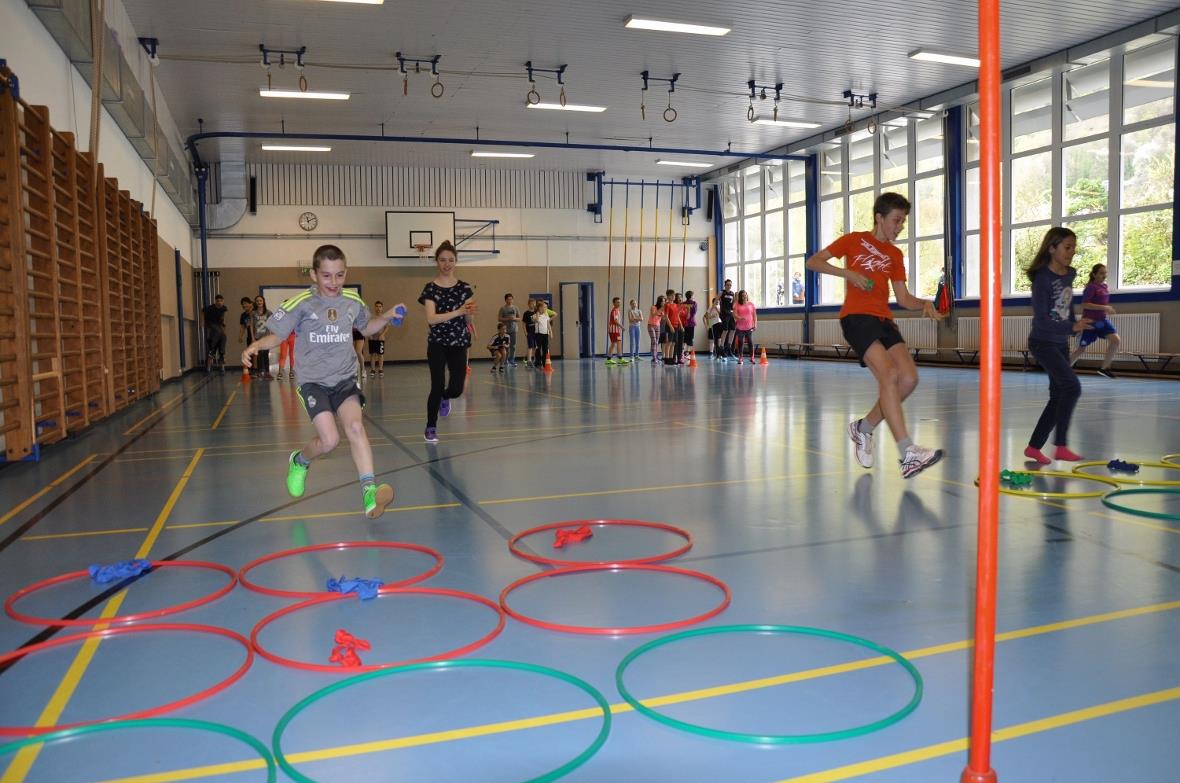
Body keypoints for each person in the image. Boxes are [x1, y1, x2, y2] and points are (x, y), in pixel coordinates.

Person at [242, 244, 402, 519]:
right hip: (313, 382)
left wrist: (386, 316)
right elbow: (278, 336)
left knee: (355, 426)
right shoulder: (300, 303)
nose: (334, 282)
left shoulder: (352, 300)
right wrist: (256, 345)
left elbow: (366, 327)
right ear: (314, 275)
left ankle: (369, 493)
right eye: (327, 276)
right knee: (329, 441)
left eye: (339, 275)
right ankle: (300, 461)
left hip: (344, 379)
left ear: (345, 272)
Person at [805, 191, 946, 479]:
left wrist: (926, 304)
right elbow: (814, 262)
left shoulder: (895, 254)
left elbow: (904, 298)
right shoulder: (854, 240)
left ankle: (864, 428)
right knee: (889, 376)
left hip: (884, 319)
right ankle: (908, 452)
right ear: (879, 218)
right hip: (856, 317)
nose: (900, 226)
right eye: (896, 220)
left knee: (909, 378)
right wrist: (850, 275)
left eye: (903, 222)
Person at [1024, 227, 1090, 465]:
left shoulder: (1068, 275)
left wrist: (1075, 324)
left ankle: (1033, 448)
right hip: (1043, 342)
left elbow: (1067, 305)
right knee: (1071, 387)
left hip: (1059, 343)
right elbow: (1042, 319)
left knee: (1058, 395)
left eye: (1073, 247)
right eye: (1067, 247)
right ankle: (1061, 445)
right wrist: (1071, 328)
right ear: (1052, 248)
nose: (1071, 252)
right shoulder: (1042, 279)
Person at [420, 241, 477, 443]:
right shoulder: (430, 289)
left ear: (456, 262)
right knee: (437, 385)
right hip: (437, 343)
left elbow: (467, 318)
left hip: (459, 342)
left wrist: (469, 314)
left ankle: (446, 397)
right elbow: (431, 319)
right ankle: (430, 427)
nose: (447, 264)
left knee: (456, 389)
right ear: (437, 262)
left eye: (451, 260)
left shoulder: (465, 288)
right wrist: (459, 311)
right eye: (443, 260)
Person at [1069, 263, 1120, 379]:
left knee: (1115, 340)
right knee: (1081, 349)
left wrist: (1105, 310)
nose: (1104, 275)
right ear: (1094, 274)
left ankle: (1104, 368)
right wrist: (1104, 308)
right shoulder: (1091, 287)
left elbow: (1102, 303)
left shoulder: (1105, 287)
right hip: (1090, 322)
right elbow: (1085, 304)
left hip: (1102, 321)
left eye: (1105, 273)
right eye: (1101, 273)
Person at [201, 294, 228, 374]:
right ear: (215, 301)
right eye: (217, 301)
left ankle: (222, 368)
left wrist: (223, 324)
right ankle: (208, 368)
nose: (219, 302)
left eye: (221, 301)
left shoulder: (224, 308)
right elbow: (202, 311)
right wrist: (202, 322)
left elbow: (223, 317)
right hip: (211, 324)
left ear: (223, 301)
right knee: (212, 349)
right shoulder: (210, 308)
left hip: (219, 326)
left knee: (222, 350)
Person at [251, 295, 274, 380]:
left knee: (265, 354)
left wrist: (272, 335)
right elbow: (251, 325)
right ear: (255, 303)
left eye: (260, 301)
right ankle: (260, 372)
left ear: (263, 302)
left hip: (266, 337)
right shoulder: (253, 313)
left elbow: (272, 324)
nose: (259, 302)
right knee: (260, 355)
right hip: (258, 337)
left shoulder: (268, 312)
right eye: (257, 301)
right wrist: (253, 337)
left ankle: (267, 372)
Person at [732, 290, 757, 364]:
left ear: (747, 295)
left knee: (750, 342)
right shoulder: (737, 304)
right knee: (740, 342)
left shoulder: (751, 304)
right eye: (742, 295)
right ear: (740, 296)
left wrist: (755, 325)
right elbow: (734, 315)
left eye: (745, 295)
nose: (744, 296)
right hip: (740, 327)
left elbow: (754, 315)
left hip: (749, 327)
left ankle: (752, 357)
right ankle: (740, 358)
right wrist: (739, 318)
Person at [498, 294, 521, 367]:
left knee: (513, 346)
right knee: (505, 346)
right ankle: (505, 360)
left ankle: (512, 360)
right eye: (508, 299)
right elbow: (499, 318)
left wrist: (514, 319)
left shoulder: (516, 308)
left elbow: (519, 318)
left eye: (511, 299)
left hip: (513, 329)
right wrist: (507, 319)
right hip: (505, 331)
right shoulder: (503, 308)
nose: (510, 300)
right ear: (505, 300)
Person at [368, 301, 390, 377]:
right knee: (372, 354)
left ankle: (380, 369)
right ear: (374, 307)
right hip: (372, 339)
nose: (378, 308)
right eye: (377, 306)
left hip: (380, 339)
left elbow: (387, 327)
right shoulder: (371, 317)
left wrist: (382, 335)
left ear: (382, 308)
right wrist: (369, 334)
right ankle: (373, 370)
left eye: (380, 306)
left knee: (380, 354)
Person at [533, 298, 556, 368]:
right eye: (544, 307)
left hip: (545, 334)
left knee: (545, 349)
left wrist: (551, 332)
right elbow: (536, 320)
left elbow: (548, 324)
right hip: (538, 334)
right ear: (540, 308)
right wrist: (537, 313)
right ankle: (537, 363)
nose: (545, 308)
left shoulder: (546, 316)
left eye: (546, 307)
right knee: (538, 348)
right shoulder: (535, 315)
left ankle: (544, 363)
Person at [718, 279, 736, 361]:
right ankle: (721, 348)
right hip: (724, 314)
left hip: (730, 313)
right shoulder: (722, 292)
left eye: (730, 285)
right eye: (728, 284)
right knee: (725, 330)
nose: (729, 286)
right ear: (725, 285)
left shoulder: (732, 293)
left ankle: (728, 347)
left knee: (733, 329)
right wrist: (712, 310)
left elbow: (733, 304)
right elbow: (716, 301)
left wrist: (735, 313)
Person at [606, 297, 625, 364]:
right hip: (614, 330)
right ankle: (620, 358)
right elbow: (615, 321)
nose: (619, 303)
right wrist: (622, 326)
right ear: (614, 303)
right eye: (617, 302)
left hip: (615, 330)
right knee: (618, 343)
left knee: (614, 344)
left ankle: (608, 359)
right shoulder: (615, 310)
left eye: (619, 302)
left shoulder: (617, 310)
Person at [647, 295, 665, 364]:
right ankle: (654, 357)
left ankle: (655, 356)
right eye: (663, 301)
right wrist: (661, 309)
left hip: (657, 326)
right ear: (660, 301)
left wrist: (664, 314)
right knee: (654, 340)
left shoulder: (662, 309)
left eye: (664, 301)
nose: (664, 302)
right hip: (651, 325)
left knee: (656, 342)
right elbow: (654, 314)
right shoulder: (653, 307)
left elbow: (663, 318)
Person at [521, 298, 537, 367]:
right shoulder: (526, 313)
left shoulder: (537, 312)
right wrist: (525, 332)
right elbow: (523, 324)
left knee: (536, 347)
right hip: (529, 332)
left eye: (534, 303)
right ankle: (529, 360)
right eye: (531, 303)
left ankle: (536, 359)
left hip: (536, 332)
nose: (532, 305)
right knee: (530, 346)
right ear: (528, 304)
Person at [683, 290, 698, 360]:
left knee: (684, 338)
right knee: (690, 338)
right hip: (691, 323)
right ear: (691, 296)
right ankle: (686, 352)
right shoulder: (694, 303)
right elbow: (694, 312)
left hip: (684, 323)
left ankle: (682, 352)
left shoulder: (683, 303)